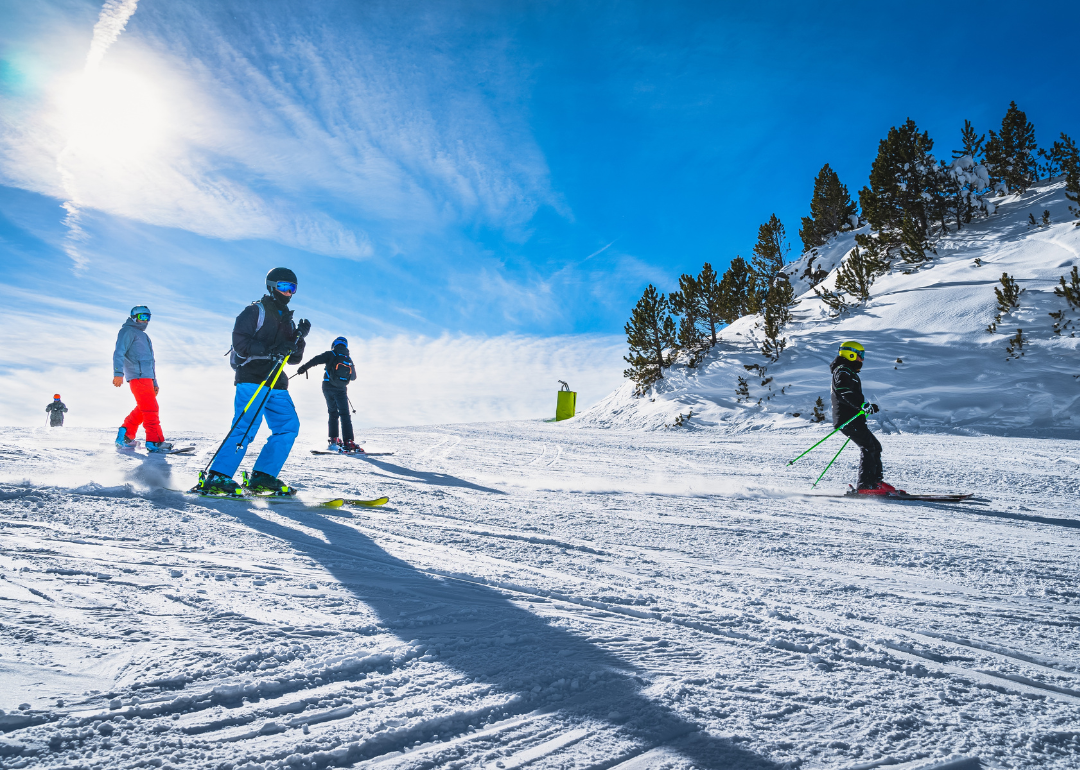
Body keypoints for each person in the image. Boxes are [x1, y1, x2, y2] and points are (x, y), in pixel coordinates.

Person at [195, 268, 310, 496]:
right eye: (284, 287)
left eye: (292, 288)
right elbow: (240, 343)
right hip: (253, 377)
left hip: (277, 381)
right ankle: (218, 476)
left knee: (288, 427)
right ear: (271, 286)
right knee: (246, 426)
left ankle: (263, 476)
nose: (288, 293)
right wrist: (272, 349)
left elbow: (294, 359)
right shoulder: (254, 311)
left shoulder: (287, 320)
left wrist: (299, 338)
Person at [830, 340, 902, 495]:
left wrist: (866, 405)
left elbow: (851, 394)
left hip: (853, 418)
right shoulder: (843, 371)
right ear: (849, 354)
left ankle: (875, 482)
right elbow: (844, 391)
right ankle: (865, 485)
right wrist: (861, 404)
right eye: (859, 355)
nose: (862, 359)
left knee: (875, 446)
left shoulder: (849, 371)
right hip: (846, 419)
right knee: (868, 446)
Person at [113, 306, 173, 452]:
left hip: (147, 378)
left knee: (144, 408)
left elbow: (150, 362)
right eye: (142, 317)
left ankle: (126, 434)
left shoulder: (143, 336)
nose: (145, 321)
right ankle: (154, 441)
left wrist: (154, 382)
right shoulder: (127, 331)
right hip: (137, 376)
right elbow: (119, 352)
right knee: (151, 409)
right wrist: (118, 373)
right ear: (134, 317)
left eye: (148, 317)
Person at [296, 336, 359, 452]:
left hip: (327, 387)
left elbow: (316, 360)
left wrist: (303, 368)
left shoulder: (331, 354)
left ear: (334, 344)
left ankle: (334, 439)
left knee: (333, 412)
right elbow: (354, 377)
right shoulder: (348, 359)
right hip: (341, 389)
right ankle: (348, 441)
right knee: (345, 414)